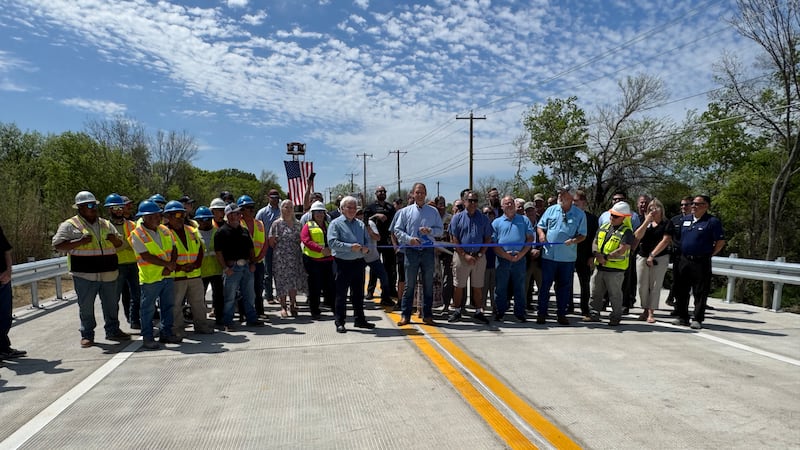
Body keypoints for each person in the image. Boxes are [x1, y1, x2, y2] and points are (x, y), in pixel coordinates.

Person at [53, 191, 130, 348]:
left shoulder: (106, 224)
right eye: (89, 205)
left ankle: (113, 330)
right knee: (86, 306)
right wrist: (79, 242)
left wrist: (115, 240)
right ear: (80, 207)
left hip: (109, 272)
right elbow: (58, 245)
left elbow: (120, 245)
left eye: (94, 205)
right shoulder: (70, 225)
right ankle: (87, 335)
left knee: (111, 305)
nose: (93, 208)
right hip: (84, 275)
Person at [129, 200, 180, 349]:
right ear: (144, 217)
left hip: (167, 275)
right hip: (151, 278)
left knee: (168, 306)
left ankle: (166, 333)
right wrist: (167, 265)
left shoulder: (164, 230)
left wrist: (170, 266)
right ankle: (148, 337)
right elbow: (146, 256)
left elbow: (174, 249)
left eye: (157, 215)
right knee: (148, 309)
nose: (156, 218)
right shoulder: (137, 234)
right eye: (151, 216)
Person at [392, 182, 443, 326]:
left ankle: (427, 315)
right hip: (411, 251)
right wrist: (409, 240)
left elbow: (440, 230)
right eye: (417, 192)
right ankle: (405, 315)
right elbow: (397, 230)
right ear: (413, 194)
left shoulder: (433, 212)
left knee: (428, 284)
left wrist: (430, 231)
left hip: (427, 251)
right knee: (409, 285)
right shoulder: (405, 211)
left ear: (426, 194)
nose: (420, 195)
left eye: (422, 192)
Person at [672, 195, 725, 330]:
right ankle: (682, 317)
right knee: (681, 290)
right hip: (684, 259)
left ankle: (697, 318)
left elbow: (720, 242)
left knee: (700, 291)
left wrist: (709, 254)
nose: (693, 206)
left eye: (697, 204)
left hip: (701, 261)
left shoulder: (712, 222)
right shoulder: (686, 219)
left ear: (705, 206)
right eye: (692, 204)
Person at [536, 184, 587, 325]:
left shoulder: (579, 214)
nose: (560, 196)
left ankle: (562, 314)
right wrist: (541, 235)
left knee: (564, 286)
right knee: (545, 285)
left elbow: (583, 235)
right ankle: (542, 313)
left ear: (570, 197)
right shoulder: (551, 210)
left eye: (563, 193)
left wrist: (573, 240)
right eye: (559, 193)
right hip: (549, 256)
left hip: (567, 258)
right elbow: (540, 226)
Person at [163, 201, 213, 337]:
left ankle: (201, 325)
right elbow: (163, 254)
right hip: (176, 275)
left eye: (182, 214)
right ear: (168, 216)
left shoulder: (191, 230)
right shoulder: (164, 233)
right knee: (175, 304)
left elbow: (200, 249)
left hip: (194, 273)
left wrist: (196, 264)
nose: (179, 217)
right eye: (176, 215)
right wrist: (180, 267)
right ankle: (177, 329)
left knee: (198, 303)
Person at [327, 196, 376, 333]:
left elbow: (367, 241)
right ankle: (340, 322)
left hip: (358, 262)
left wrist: (366, 248)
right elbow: (332, 243)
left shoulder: (360, 224)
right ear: (342, 209)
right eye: (349, 207)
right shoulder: (335, 224)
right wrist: (350, 247)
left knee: (358, 293)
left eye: (354, 207)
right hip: (342, 263)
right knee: (341, 294)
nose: (352, 210)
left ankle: (360, 320)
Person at [214, 204, 265, 330]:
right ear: (229, 215)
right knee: (230, 297)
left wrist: (253, 263)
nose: (238, 215)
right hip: (232, 268)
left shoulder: (244, 231)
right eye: (235, 213)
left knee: (249, 295)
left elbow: (251, 249)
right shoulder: (221, 232)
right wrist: (225, 268)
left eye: (239, 213)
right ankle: (228, 321)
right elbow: (218, 253)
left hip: (246, 267)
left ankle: (251, 319)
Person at [586, 202, 635, 326]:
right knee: (595, 292)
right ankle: (594, 313)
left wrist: (606, 257)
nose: (612, 217)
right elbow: (595, 241)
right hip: (600, 266)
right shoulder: (604, 226)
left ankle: (615, 317)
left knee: (615, 295)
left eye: (616, 216)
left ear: (623, 217)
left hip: (615, 269)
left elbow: (622, 249)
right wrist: (596, 254)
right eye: (612, 214)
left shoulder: (627, 231)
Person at [448, 191, 493, 324]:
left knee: (478, 286)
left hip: (479, 257)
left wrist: (479, 254)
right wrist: (464, 255)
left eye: (475, 200)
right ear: (464, 201)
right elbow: (454, 238)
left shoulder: (484, 218)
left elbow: (488, 238)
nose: (473, 203)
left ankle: (478, 311)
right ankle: (457, 310)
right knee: (458, 286)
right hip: (461, 256)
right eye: (470, 200)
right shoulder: (457, 218)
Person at [491, 195, 535, 322]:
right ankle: (500, 312)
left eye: (511, 203)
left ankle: (520, 313)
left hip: (520, 259)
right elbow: (493, 244)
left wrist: (520, 254)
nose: (509, 205)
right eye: (506, 203)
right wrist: (506, 255)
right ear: (502, 206)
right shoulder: (496, 222)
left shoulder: (524, 220)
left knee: (520, 287)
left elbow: (530, 239)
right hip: (502, 259)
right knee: (500, 288)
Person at [633, 198, 674, 323]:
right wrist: (646, 222)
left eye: (656, 208)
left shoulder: (667, 223)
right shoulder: (645, 222)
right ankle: (644, 309)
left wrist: (652, 255)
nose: (653, 210)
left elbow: (666, 240)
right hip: (642, 256)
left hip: (659, 257)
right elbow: (637, 236)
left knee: (655, 285)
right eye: (650, 208)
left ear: (661, 209)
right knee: (642, 285)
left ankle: (651, 312)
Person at [105, 193, 142, 329]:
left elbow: (137, 243)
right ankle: (113, 327)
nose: (119, 210)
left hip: (134, 264)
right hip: (116, 265)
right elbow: (110, 247)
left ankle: (135, 320)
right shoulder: (105, 226)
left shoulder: (132, 225)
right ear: (109, 209)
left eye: (121, 207)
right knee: (114, 298)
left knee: (137, 296)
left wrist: (120, 243)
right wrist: (125, 243)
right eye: (115, 208)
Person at [268, 199, 307, 318]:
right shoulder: (276, 224)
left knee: (294, 281)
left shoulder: (298, 224)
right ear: (281, 209)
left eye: (291, 207)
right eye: (286, 207)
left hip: (295, 256)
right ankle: (283, 306)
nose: (289, 209)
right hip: (281, 257)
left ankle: (293, 303)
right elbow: (271, 241)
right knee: (281, 281)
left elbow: (302, 239)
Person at [301, 201, 335, 319]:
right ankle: (314, 310)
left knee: (330, 285)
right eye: (317, 212)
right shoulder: (308, 225)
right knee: (314, 287)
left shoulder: (329, 224)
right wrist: (321, 249)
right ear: (312, 214)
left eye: (321, 212)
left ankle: (333, 307)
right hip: (312, 260)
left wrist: (331, 250)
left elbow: (334, 238)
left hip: (328, 260)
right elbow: (306, 240)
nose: (320, 214)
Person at [364, 185, 397, 303]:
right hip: (375, 240)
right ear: (376, 193)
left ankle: (390, 291)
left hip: (387, 241)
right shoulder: (370, 207)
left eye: (384, 191)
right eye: (379, 191)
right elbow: (365, 220)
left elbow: (395, 222)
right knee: (374, 267)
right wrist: (376, 215)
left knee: (390, 268)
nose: (382, 193)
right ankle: (370, 291)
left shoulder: (390, 207)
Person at [195, 206, 225, 329]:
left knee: (218, 297)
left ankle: (219, 319)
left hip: (216, 270)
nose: (205, 222)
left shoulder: (217, 232)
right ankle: (201, 321)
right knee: (199, 299)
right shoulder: (193, 234)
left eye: (207, 219)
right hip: (201, 271)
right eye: (202, 219)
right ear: (197, 220)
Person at [238, 195, 268, 318]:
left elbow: (265, 243)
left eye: (252, 207)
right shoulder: (237, 224)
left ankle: (259, 312)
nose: (251, 210)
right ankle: (243, 313)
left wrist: (258, 257)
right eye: (248, 208)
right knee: (242, 289)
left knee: (258, 288)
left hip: (258, 261)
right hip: (243, 262)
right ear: (241, 210)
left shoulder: (259, 224)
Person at [0, 224, 25, 359]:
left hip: (3, 279)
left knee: (5, 316)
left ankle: (4, 349)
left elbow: (7, 251)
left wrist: (8, 272)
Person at [360, 209, 393, 309]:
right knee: (358, 280)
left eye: (361, 213)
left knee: (384, 277)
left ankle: (386, 298)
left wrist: (369, 230)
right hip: (359, 257)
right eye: (357, 214)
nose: (359, 216)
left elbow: (378, 238)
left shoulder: (370, 223)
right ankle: (358, 299)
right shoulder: (354, 224)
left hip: (373, 256)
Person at [573, 190, 598, 318]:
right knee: (566, 282)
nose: (574, 204)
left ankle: (584, 309)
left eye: (577, 201)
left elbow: (595, 238)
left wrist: (592, 256)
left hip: (585, 255)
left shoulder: (592, 219)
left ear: (584, 202)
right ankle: (568, 307)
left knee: (584, 283)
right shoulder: (569, 216)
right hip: (569, 254)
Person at [665, 196, 693, 309]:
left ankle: (678, 303)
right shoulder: (675, 220)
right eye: (682, 205)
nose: (683, 207)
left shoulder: (695, 220)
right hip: (678, 254)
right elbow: (668, 236)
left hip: (691, 255)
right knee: (677, 279)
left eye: (686, 204)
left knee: (688, 281)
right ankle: (675, 302)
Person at [256, 189, 282, 305]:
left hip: (281, 245)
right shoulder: (262, 212)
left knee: (281, 271)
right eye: (272, 197)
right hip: (267, 245)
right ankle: (269, 295)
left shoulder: (282, 211)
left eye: (276, 197)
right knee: (268, 271)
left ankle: (281, 295)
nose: (275, 199)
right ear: (268, 198)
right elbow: (257, 228)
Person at [523, 201, 543, 311]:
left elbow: (546, 240)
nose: (530, 213)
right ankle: (524, 307)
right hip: (526, 259)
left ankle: (542, 309)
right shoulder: (522, 225)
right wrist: (529, 251)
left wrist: (538, 250)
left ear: (536, 211)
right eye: (528, 211)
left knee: (542, 286)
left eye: (532, 210)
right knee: (525, 286)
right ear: (525, 213)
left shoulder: (542, 225)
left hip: (539, 261)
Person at [481, 206, 497, 310]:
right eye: (485, 213)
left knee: (494, 288)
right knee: (483, 287)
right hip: (483, 262)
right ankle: (481, 307)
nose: (488, 215)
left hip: (496, 262)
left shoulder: (498, 227)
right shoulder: (480, 227)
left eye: (490, 213)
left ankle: (495, 308)